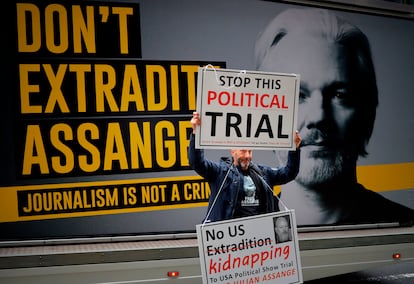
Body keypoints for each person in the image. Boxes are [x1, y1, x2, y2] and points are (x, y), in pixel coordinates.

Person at [254, 8, 414, 226]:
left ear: (368, 114)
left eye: (340, 95)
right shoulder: (245, 242)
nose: (319, 116)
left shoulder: (406, 227)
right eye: (296, 95)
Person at [188, 112, 301, 223]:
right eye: (242, 151)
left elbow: (289, 172)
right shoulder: (220, 172)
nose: (247, 156)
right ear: (233, 151)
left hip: (260, 236)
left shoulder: (263, 173)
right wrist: (195, 133)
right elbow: (197, 162)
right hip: (231, 237)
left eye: (250, 151)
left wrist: (294, 148)